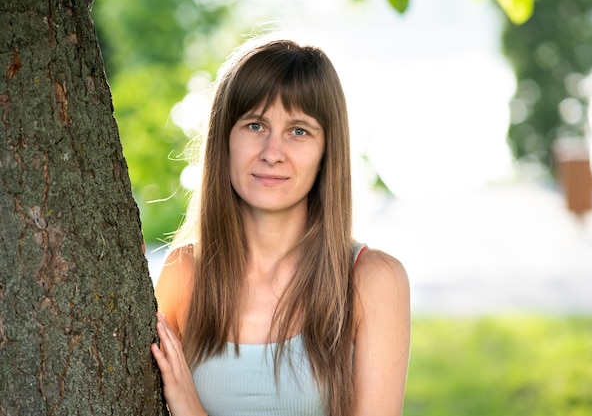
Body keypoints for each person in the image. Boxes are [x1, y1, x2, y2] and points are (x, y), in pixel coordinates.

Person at [150, 36, 411, 416]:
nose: (272, 153)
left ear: (327, 151)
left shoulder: (373, 281)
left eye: (299, 131)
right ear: (224, 139)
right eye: (255, 125)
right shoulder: (184, 274)